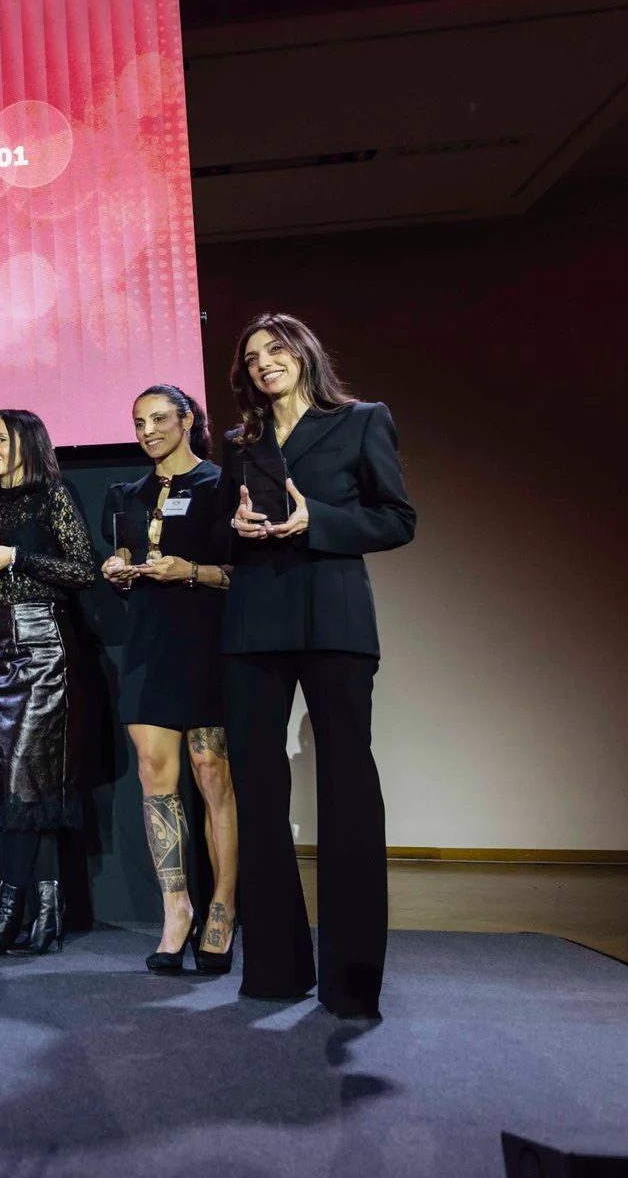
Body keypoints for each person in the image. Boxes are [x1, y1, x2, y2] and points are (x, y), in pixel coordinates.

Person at [222, 311, 415, 1019]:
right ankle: (275, 968)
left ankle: (351, 981)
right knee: (257, 791)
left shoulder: (362, 421)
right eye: (252, 356)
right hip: (254, 624)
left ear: (304, 354)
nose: (264, 362)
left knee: (347, 788)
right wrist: (235, 529)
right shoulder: (240, 443)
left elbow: (397, 519)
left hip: (334, 621)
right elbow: (221, 533)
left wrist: (318, 520)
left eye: (275, 349)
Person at [100, 387, 236, 974]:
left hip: (206, 644)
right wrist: (117, 571)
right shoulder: (125, 495)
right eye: (139, 422)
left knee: (211, 775)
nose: (148, 430)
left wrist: (192, 572)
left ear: (188, 420)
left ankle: (223, 907)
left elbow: (244, 574)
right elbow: (129, 561)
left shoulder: (219, 485)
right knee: (156, 777)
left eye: (159, 418)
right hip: (148, 647)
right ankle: (176, 910)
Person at [0, 408, 96, 955]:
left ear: (28, 444)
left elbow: (83, 570)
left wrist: (17, 557)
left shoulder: (52, 497)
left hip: (38, 645)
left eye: (1, 439)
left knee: (25, 777)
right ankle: (46, 906)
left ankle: (12, 907)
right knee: (5, 782)